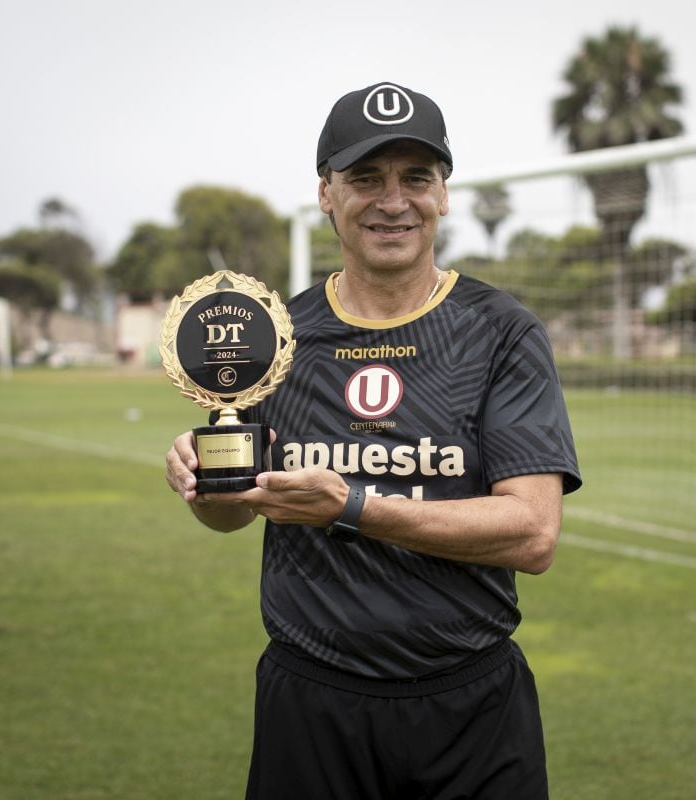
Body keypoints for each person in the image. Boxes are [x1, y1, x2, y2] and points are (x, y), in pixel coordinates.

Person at [165, 81, 581, 800]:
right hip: (312, 703)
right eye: (365, 178)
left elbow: (532, 534)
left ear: (443, 194)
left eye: (416, 177)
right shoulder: (278, 336)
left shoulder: (501, 330)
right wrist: (205, 481)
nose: (393, 200)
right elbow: (234, 513)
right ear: (326, 193)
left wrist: (351, 505)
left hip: (471, 706)